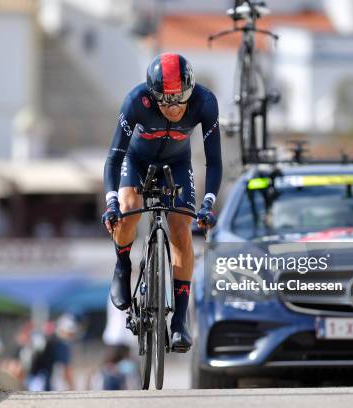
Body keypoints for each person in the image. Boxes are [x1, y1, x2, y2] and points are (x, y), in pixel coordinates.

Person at [102, 53, 222, 352]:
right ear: (152, 96)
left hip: (178, 163)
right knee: (129, 210)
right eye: (165, 101)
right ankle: (122, 266)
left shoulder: (205, 102)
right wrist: (111, 202)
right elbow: (114, 157)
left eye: (180, 100)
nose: (174, 108)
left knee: (181, 230)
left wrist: (208, 203)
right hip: (137, 159)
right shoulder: (135, 102)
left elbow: (215, 161)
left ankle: (180, 320)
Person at [26, 314, 77, 391]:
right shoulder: (62, 345)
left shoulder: (49, 340)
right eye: (70, 334)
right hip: (44, 382)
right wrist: (72, 388)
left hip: (33, 379)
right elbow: (66, 370)